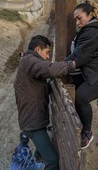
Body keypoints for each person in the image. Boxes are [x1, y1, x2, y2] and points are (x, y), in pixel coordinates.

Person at [14, 35, 71, 170]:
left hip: (33, 118)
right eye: (47, 53)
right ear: (38, 49)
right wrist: (71, 65)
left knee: (41, 153)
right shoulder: (31, 61)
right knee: (52, 161)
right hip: (33, 123)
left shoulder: (26, 60)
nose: (47, 57)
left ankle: (38, 158)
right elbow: (50, 69)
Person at [65, 0, 98, 149]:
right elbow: (77, 54)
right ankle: (76, 125)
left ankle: (87, 132)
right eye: (75, 19)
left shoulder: (93, 31)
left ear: (91, 15)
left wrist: (57, 67)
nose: (76, 22)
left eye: (79, 18)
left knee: (81, 97)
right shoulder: (89, 29)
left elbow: (80, 57)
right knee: (73, 93)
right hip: (94, 71)